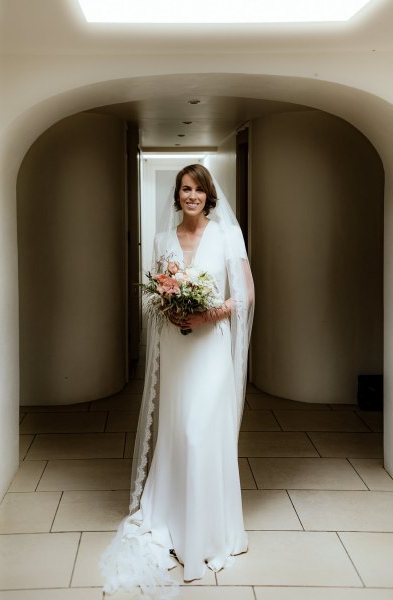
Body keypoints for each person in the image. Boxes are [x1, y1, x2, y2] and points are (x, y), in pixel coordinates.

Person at [99, 164, 255, 599]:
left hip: (210, 351)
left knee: (200, 433)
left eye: (199, 190)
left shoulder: (225, 236)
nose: (192, 196)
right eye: (185, 189)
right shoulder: (163, 240)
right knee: (177, 432)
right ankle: (171, 517)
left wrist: (206, 314)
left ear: (209, 196)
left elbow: (245, 295)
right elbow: (154, 293)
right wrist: (171, 310)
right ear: (177, 194)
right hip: (177, 350)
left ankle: (207, 533)